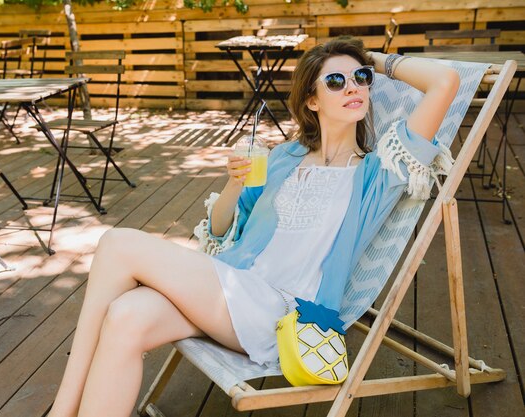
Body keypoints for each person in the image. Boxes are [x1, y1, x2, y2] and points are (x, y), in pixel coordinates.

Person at [48, 36, 459, 417]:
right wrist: (233, 183)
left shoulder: (378, 173)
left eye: (360, 79)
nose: (353, 87)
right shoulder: (282, 158)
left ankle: (61, 409)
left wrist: (373, 60)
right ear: (312, 101)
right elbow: (221, 228)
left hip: (283, 314)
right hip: (231, 289)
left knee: (118, 243)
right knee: (125, 316)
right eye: (335, 81)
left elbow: (445, 82)